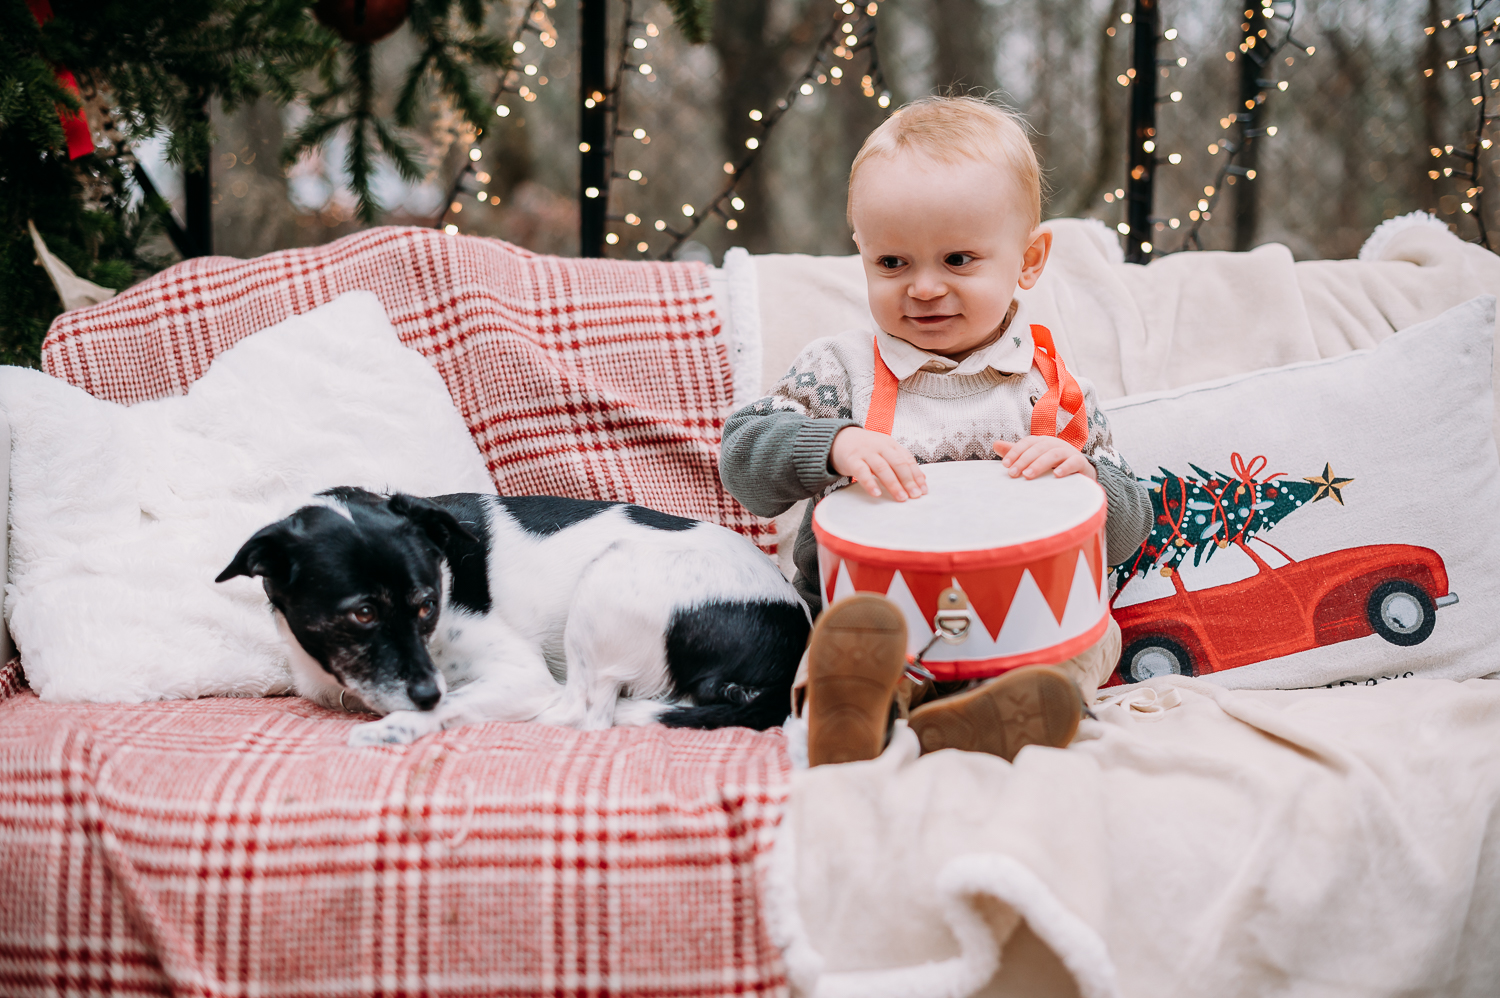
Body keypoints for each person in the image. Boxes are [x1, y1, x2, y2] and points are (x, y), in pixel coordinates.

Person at [719, 95, 1154, 766]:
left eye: (957, 260)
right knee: (849, 640)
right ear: (861, 254)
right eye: (892, 263)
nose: (923, 288)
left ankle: (1004, 711)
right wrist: (830, 444)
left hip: (1018, 627)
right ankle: (858, 711)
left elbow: (1129, 534)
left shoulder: (1053, 390)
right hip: (878, 623)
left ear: (1029, 261)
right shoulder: (839, 372)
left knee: (1092, 637)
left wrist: (1087, 478)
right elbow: (743, 460)